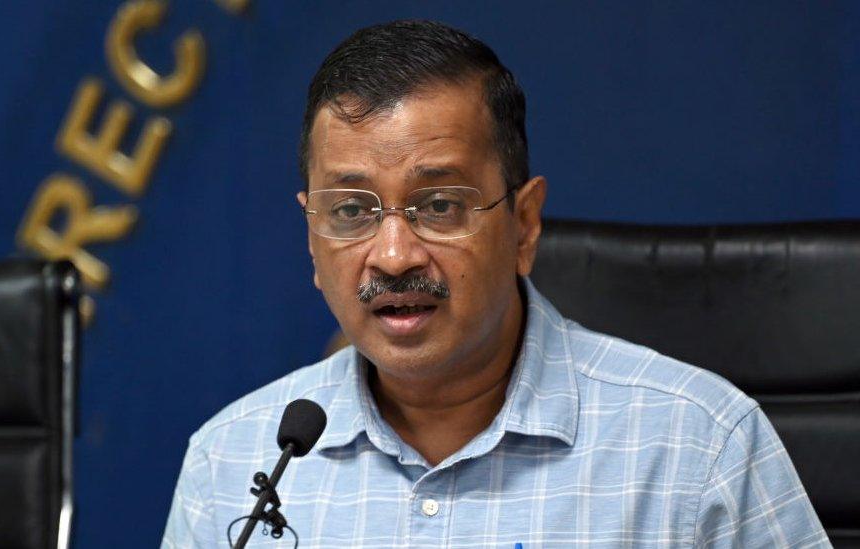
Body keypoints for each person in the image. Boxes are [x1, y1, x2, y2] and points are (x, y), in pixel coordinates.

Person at [162, 20, 829, 548]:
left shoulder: (700, 444)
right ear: (311, 238)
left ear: (525, 225)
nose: (393, 256)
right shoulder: (234, 458)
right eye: (351, 211)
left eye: (440, 205)